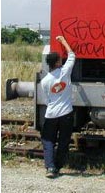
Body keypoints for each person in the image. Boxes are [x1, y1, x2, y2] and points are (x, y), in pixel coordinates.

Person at [40, 35, 76, 178]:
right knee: (64, 141)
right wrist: (63, 41)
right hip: (66, 113)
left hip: (51, 115)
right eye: (60, 59)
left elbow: (46, 100)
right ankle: (58, 166)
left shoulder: (45, 81)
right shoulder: (65, 72)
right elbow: (72, 55)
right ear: (57, 62)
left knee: (48, 141)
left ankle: (50, 167)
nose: (63, 59)